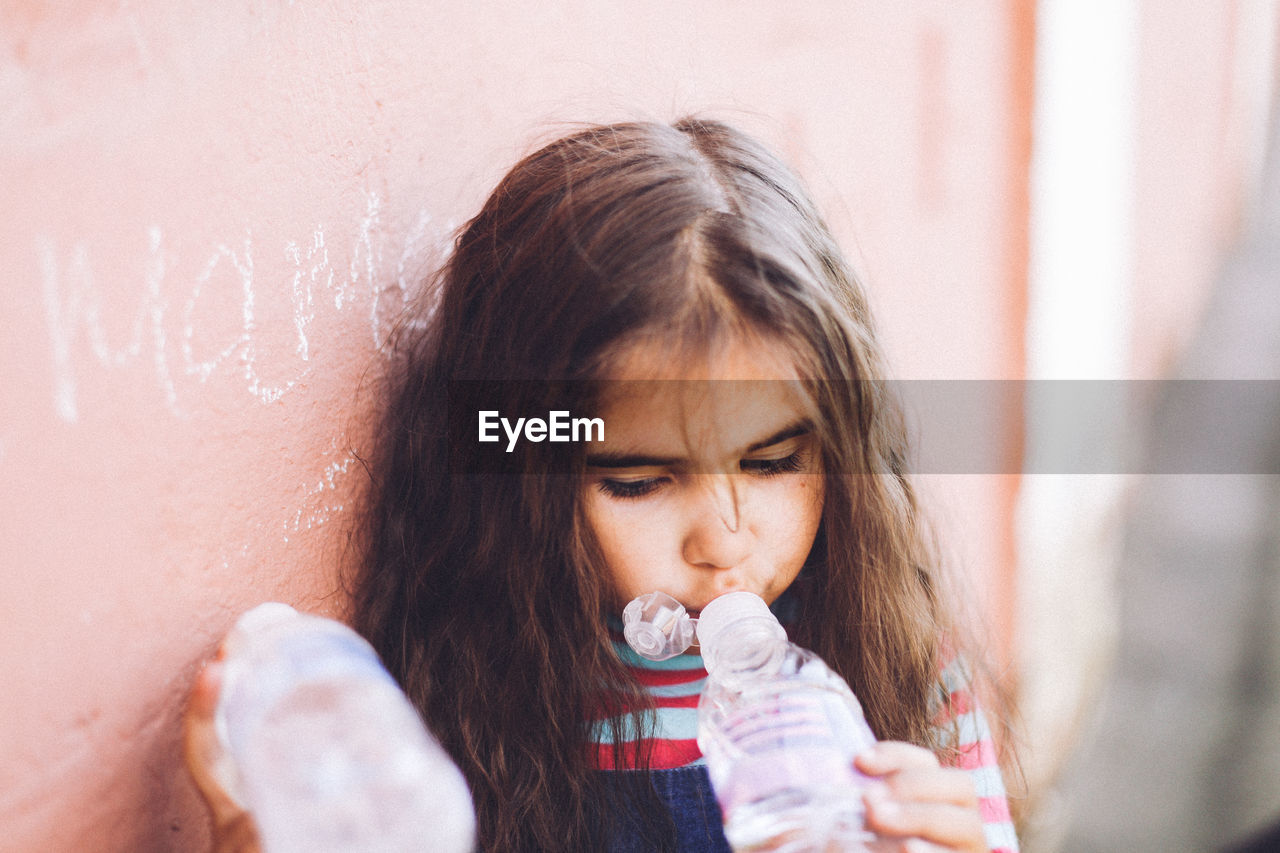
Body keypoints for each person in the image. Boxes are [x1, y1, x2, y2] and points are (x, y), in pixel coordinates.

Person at [185, 118, 1020, 852]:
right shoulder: (462, 699)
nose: (725, 541)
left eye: (771, 463)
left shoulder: (900, 661)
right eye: (639, 480)